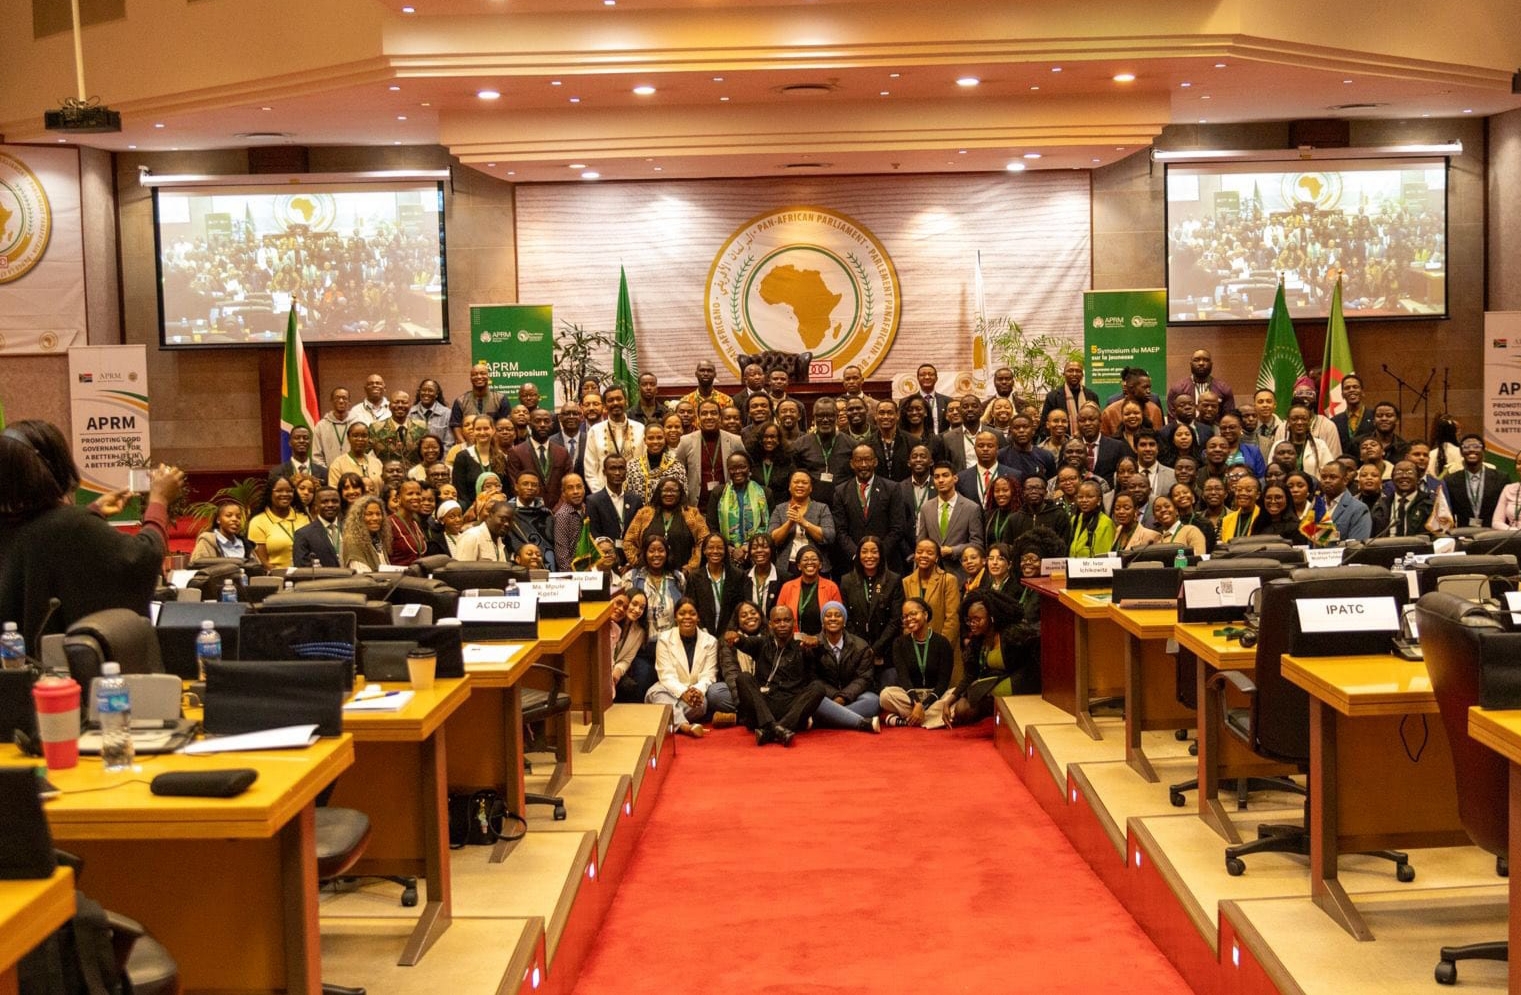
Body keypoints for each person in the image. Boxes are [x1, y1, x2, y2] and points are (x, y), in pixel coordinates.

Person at [0, 422, 184, 640]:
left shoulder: (13, 524)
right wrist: (159, 501)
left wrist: (93, 511)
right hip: (62, 658)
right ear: (55, 466)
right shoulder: (70, 524)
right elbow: (143, 558)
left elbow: (44, 541)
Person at [726, 604, 827, 746]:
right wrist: (734, 636)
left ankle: (770, 730)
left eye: (787, 620)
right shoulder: (762, 643)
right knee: (744, 677)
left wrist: (817, 644)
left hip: (791, 707)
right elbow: (743, 641)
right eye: (777, 621)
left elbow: (820, 653)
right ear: (770, 624)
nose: (782, 624)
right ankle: (777, 729)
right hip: (764, 706)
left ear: (794, 623)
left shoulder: (803, 645)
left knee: (818, 687)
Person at [945, 591, 1039, 726]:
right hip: (989, 687)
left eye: (977, 619)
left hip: (1018, 683)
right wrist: (949, 702)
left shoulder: (1013, 634)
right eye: (969, 620)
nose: (972, 624)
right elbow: (970, 675)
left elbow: (1033, 661)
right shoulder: (977, 641)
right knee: (961, 708)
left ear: (992, 617)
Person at [804, 601, 880, 733]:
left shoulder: (861, 646)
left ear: (844, 621)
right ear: (823, 621)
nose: (833, 618)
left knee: (873, 701)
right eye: (828, 615)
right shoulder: (812, 645)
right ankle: (859, 722)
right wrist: (834, 696)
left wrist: (843, 697)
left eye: (837, 615)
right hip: (826, 697)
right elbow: (812, 678)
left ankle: (825, 719)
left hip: (853, 697)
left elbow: (864, 678)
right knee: (814, 701)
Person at [646, 599, 718, 737]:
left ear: (698, 617)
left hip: (694, 693)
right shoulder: (664, 639)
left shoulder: (710, 641)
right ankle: (685, 726)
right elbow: (665, 674)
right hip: (668, 690)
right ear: (675, 616)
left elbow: (709, 674)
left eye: (692, 613)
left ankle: (667, 719)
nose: (687, 617)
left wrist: (697, 691)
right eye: (682, 613)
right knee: (656, 693)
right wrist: (683, 692)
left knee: (700, 705)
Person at [839, 535, 903, 686]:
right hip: (856, 651)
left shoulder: (893, 580)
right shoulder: (846, 581)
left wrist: (875, 649)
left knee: (886, 693)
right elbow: (845, 618)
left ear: (881, 554)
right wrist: (861, 648)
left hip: (886, 651)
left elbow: (895, 620)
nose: (869, 556)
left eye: (874, 551)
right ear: (858, 555)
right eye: (864, 552)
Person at [880, 597, 954, 728]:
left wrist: (923, 706)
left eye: (913, 614)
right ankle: (932, 719)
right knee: (885, 696)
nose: (909, 619)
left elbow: (944, 682)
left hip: (936, 696)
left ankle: (909, 719)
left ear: (925, 615)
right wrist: (916, 703)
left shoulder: (942, 643)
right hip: (910, 697)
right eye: (905, 617)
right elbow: (903, 677)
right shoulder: (899, 643)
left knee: (955, 696)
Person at [832, 443, 908, 567]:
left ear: (875, 462)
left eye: (868, 459)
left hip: (886, 561)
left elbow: (897, 527)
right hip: (853, 562)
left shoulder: (892, 488)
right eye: (859, 460)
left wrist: (878, 553)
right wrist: (856, 554)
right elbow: (840, 530)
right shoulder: (841, 491)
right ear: (852, 464)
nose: (863, 465)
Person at [902, 538, 960, 676]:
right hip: (915, 650)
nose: (923, 555)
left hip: (943, 649)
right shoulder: (906, 581)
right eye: (919, 552)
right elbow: (905, 619)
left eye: (929, 553)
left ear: (937, 557)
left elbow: (952, 619)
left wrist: (940, 649)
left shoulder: (949, 580)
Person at [624, 477, 708, 571]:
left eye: (673, 491)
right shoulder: (644, 513)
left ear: (680, 493)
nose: (669, 494)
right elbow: (628, 541)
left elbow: (704, 541)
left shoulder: (692, 513)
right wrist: (638, 563)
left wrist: (690, 568)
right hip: (648, 574)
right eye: (665, 490)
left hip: (683, 574)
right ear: (658, 492)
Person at [917, 460, 983, 575]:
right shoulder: (926, 508)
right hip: (931, 572)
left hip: (960, 572)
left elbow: (977, 544)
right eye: (937, 477)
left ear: (955, 478)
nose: (941, 480)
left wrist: (953, 550)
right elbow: (921, 542)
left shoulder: (971, 508)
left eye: (945, 475)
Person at [674, 399, 745, 506]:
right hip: (696, 505)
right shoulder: (686, 441)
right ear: (698, 417)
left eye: (713, 413)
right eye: (704, 413)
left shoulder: (735, 441)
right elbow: (678, 473)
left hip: (729, 505)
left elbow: (745, 470)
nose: (709, 417)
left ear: (720, 417)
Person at [768, 470, 837, 575]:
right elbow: (772, 540)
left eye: (804, 483)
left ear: (811, 488)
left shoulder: (822, 508)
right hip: (786, 567)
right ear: (789, 487)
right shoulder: (779, 509)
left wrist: (804, 522)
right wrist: (790, 523)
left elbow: (829, 536)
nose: (800, 485)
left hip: (816, 566)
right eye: (796, 482)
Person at [707, 452, 772, 559]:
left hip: (757, 551)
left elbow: (770, 525)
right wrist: (728, 548)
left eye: (742, 467)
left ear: (749, 469)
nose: (737, 471)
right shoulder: (718, 493)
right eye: (733, 468)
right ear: (728, 470)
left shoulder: (765, 493)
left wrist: (749, 546)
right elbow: (712, 526)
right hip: (725, 552)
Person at [583, 385, 644, 493]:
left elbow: (645, 464)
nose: (615, 403)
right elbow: (590, 470)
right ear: (605, 405)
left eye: (619, 399)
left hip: (635, 493)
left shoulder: (640, 428)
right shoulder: (595, 431)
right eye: (610, 400)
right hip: (603, 493)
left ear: (626, 401)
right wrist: (602, 496)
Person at [507, 407, 572, 508]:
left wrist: (558, 509)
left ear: (552, 424)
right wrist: (534, 509)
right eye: (537, 421)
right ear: (529, 424)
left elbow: (568, 484)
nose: (542, 425)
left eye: (546, 421)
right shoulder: (516, 452)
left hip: (558, 510)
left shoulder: (562, 452)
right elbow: (515, 486)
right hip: (528, 510)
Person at [625, 533, 686, 638]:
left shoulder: (678, 577)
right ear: (645, 553)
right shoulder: (632, 577)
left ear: (667, 553)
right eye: (651, 551)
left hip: (671, 640)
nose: (656, 554)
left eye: (661, 550)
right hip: (640, 640)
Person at [587, 455, 643, 567]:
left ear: (626, 471)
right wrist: (610, 560)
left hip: (632, 563)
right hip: (606, 562)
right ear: (604, 472)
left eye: (621, 468)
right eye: (612, 468)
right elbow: (595, 534)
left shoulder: (635, 500)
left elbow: (640, 534)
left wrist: (630, 563)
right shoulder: (594, 501)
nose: (617, 473)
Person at [775, 545, 841, 639]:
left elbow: (839, 617)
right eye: (805, 560)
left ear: (820, 565)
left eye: (814, 559)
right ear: (799, 566)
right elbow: (778, 615)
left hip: (823, 640)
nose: (810, 562)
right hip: (793, 641)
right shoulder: (787, 587)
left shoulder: (831, 587)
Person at [686, 532, 744, 636]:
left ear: (725, 551)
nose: (715, 551)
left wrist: (731, 630)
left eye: (720, 548)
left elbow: (740, 607)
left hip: (730, 635)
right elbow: (690, 607)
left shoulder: (737, 576)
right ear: (704, 550)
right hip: (702, 635)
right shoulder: (694, 578)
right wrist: (702, 632)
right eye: (711, 547)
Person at [248, 476, 310, 570]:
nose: (285, 494)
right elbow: (262, 561)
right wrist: (282, 574)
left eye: (289, 491)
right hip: (275, 576)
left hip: (304, 573)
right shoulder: (258, 521)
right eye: (279, 491)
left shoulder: (304, 518)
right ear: (270, 493)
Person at [1444, 433, 1503, 528]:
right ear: (1461, 452)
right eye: (1466, 447)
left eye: (1476, 446)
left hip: (1493, 532)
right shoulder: (1450, 481)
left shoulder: (1500, 479)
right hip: (1463, 533)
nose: (1471, 450)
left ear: (1484, 450)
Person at [452, 413, 508, 509]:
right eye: (478, 429)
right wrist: (476, 509)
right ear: (473, 431)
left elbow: (506, 488)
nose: (482, 432)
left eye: (486, 428)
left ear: (493, 430)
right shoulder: (462, 457)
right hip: (471, 510)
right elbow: (460, 492)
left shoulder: (501, 457)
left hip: (498, 509)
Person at [611, 591, 658, 704]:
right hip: (603, 669)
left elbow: (627, 659)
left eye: (642, 608)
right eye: (634, 604)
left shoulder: (640, 631)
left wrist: (618, 671)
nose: (637, 610)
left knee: (633, 686)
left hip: (616, 670)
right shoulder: (612, 623)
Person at [626, 423, 686, 503]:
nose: (655, 441)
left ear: (665, 439)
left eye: (659, 438)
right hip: (638, 510)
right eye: (650, 438)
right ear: (645, 440)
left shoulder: (676, 466)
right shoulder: (632, 466)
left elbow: (683, 497)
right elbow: (627, 495)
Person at [449, 363, 509, 444]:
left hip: (494, 445)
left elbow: (505, 424)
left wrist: (495, 446)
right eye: (475, 374)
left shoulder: (501, 399)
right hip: (468, 446)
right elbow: (456, 426)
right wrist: (465, 447)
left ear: (488, 377)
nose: (479, 377)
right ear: (470, 378)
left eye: (483, 373)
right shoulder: (460, 401)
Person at [1371, 460, 1434, 537]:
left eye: (1409, 472)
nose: (1404, 476)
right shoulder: (1381, 506)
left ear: (1418, 479)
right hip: (1387, 543)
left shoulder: (1430, 505)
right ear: (1392, 479)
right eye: (1399, 472)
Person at [1167, 348, 1235, 414]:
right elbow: (1172, 418)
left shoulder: (1224, 389)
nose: (1201, 363)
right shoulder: (1177, 389)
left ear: (1211, 364)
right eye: (1196, 360)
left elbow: (1229, 417)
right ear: (1191, 364)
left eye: (1206, 360)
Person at [292, 486, 345, 567]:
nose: (330, 505)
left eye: (334, 501)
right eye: (324, 502)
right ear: (316, 505)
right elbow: (301, 567)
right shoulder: (303, 534)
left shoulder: (350, 529)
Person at [1317, 461, 1370, 541]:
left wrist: (1322, 535)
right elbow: (1310, 540)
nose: (1327, 481)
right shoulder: (1316, 505)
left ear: (1345, 480)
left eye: (1333, 477)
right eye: (1323, 477)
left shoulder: (1359, 509)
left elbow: (1357, 544)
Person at [1041, 359, 1100, 429]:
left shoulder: (1092, 396)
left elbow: (1098, 421)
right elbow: (1044, 423)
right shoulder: (1053, 397)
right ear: (1064, 374)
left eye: (1078, 371)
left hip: (1087, 436)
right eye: (1070, 371)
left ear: (1082, 375)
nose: (1074, 374)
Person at [455, 495, 515, 561]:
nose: (507, 524)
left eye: (510, 521)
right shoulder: (472, 536)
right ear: (490, 515)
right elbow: (461, 566)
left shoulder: (499, 540)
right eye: (503, 519)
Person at [313, 386, 361, 468]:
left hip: (355, 472)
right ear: (331, 401)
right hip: (329, 473)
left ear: (349, 402)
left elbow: (365, 452)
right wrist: (328, 472)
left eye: (344, 398)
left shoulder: (358, 424)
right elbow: (316, 456)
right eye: (337, 398)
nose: (341, 401)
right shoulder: (321, 426)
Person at [268, 425, 328, 490]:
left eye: (305, 438)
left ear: (310, 442)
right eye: (297, 438)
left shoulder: (324, 473)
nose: (301, 441)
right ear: (290, 442)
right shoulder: (277, 472)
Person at [343, 494, 392, 572]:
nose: (375, 518)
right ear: (359, 518)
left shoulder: (378, 538)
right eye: (369, 514)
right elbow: (362, 575)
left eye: (378, 514)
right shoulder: (353, 542)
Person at [387, 479, 429, 566]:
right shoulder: (389, 523)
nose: (415, 497)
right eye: (410, 494)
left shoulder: (416, 522)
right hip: (397, 573)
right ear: (399, 498)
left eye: (418, 494)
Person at [1068, 480, 1115, 557]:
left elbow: (1102, 557)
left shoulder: (1106, 523)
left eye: (1090, 497)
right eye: (1080, 497)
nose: (1084, 500)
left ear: (1099, 500)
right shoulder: (1074, 519)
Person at [368, 389, 415, 464]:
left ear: (410, 406)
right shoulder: (376, 428)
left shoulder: (421, 427)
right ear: (389, 406)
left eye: (404, 402)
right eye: (396, 402)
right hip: (385, 470)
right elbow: (363, 453)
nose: (400, 405)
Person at [742, 533, 781, 614]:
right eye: (754, 548)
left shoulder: (784, 578)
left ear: (772, 550)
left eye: (765, 547)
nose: (759, 550)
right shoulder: (742, 577)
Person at [406, 378, 451, 444]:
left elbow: (449, 442)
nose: (426, 393)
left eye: (430, 391)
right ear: (419, 392)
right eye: (423, 390)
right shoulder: (410, 413)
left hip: (440, 451)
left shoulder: (447, 414)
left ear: (436, 394)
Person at [1219, 475, 1262, 541]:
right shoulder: (1227, 520)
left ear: (1258, 495)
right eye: (1239, 490)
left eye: (1248, 490)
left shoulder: (1263, 518)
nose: (1243, 493)